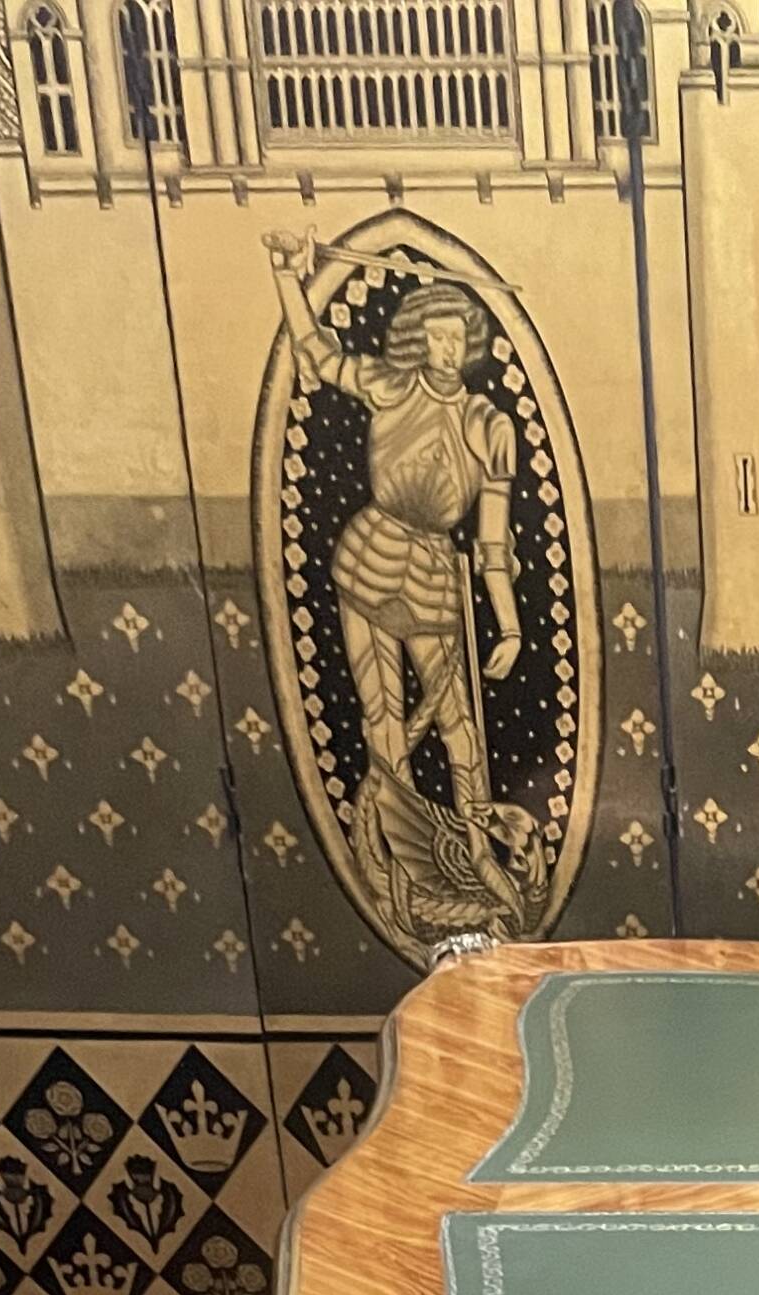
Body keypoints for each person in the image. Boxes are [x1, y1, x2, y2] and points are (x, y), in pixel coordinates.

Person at [265, 240, 521, 874]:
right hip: (368, 561)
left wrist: (509, 625)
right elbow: (320, 356)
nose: (447, 350)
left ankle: (482, 853)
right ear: (416, 341)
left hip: (435, 575)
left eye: (456, 338)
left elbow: (493, 543)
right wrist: (285, 277)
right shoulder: (389, 386)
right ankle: (403, 860)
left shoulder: (490, 425)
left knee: (459, 723)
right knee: (382, 719)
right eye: (435, 338)